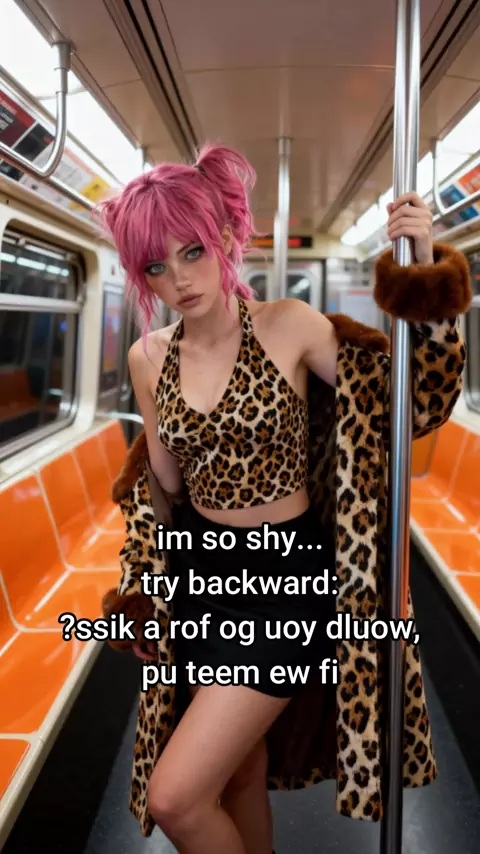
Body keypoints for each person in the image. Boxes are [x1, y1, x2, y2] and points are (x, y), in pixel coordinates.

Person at [98, 143, 471, 854]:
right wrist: (143, 581)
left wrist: (424, 268)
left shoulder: (289, 326)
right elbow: (162, 491)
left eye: (191, 251)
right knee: (239, 774)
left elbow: (410, 406)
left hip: (285, 585)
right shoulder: (150, 359)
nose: (179, 279)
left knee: (176, 798)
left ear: (224, 237)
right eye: (155, 266)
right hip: (201, 577)